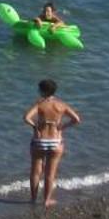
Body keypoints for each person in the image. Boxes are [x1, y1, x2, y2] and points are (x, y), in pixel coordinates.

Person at [23, 78, 81, 208]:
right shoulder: (61, 105)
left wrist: (35, 127)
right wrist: (62, 127)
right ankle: (47, 200)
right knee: (50, 173)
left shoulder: (40, 104)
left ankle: (33, 199)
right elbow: (76, 119)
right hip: (56, 140)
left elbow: (26, 117)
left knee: (35, 171)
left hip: (40, 140)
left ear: (43, 91)